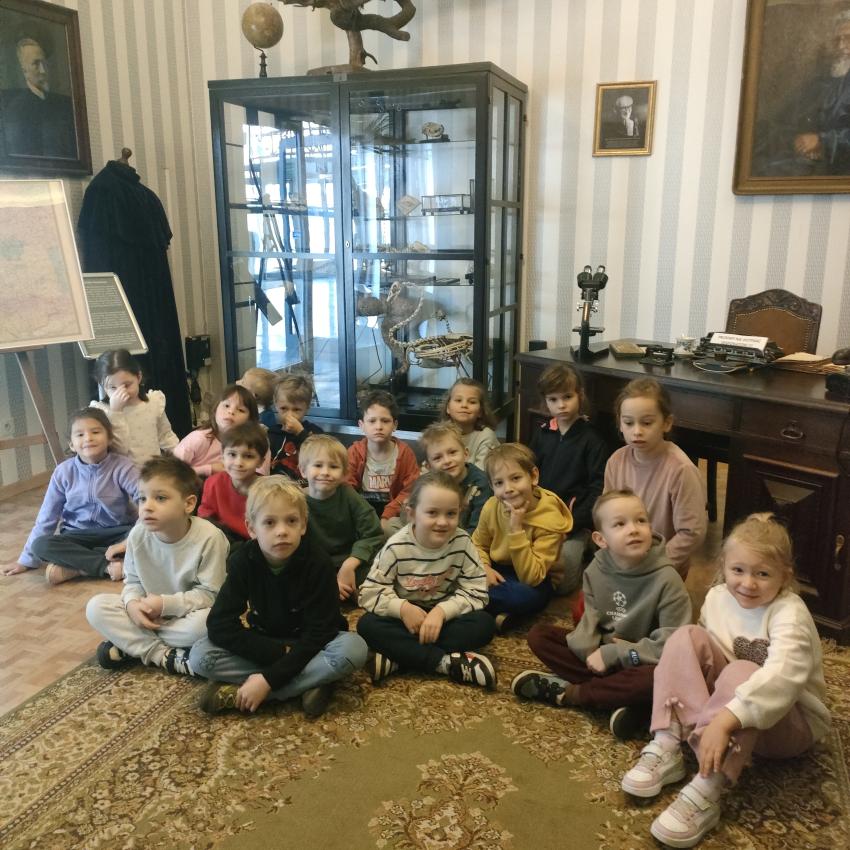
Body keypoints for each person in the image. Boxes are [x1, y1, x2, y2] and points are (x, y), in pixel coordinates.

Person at [620, 514, 830, 848]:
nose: (748, 583)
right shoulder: (718, 597)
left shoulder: (790, 614)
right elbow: (705, 659)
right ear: (723, 566)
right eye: (738, 570)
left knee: (743, 671)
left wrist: (724, 720)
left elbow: (782, 678)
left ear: (785, 576)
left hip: (789, 725)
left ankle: (708, 787)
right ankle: (668, 741)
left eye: (763, 574)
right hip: (731, 704)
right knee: (686, 636)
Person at [513, 490, 691, 740]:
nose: (633, 529)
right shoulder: (596, 568)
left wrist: (615, 653)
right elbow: (591, 618)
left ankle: (574, 694)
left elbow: (673, 646)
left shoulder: (668, 580)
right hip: (605, 656)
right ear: (600, 539)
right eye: (620, 524)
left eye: (641, 520)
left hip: (641, 660)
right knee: (539, 636)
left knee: (656, 678)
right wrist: (587, 650)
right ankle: (623, 700)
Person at [189, 477, 368, 717]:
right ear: (252, 528)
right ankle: (311, 682)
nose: (282, 531)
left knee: (354, 649)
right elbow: (219, 624)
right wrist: (274, 653)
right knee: (200, 655)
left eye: (291, 521)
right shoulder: (242, 561)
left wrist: (269, 680)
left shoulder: (318, 562)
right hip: (268, 642)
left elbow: (321, 632)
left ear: (303, 525)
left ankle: (249, 692)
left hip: (312, 643)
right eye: (269, 522)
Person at [86, 456, 228, 676]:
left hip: (188, 615)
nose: (147, 507)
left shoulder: (210, 538)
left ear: (189, 504)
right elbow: (133, 581)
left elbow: (211, 594)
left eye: (160, 498)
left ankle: (131, 645)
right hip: (148, 613)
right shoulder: (137, 534)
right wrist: (132, 605)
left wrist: (164, 604)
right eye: (142, 499)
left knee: (206, 625)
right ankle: (164, 656)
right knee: (96, 607)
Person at [357, 471, 497, 689]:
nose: (442, 522)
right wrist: (402, 608)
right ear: (411, 514)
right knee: (367, 625)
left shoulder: (462, 542)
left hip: (444, 618)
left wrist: (442, 612)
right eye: (432, 512)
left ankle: (399, 656)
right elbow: (369, 593)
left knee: (484, 625)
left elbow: (477, 591)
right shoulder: (396, 546)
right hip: (404, 620)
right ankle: (444, 663)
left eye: (451, 514)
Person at [1, 408, 138, 583]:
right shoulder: (63, 472)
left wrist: (131, 538)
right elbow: (47, 517)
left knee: (150, 536)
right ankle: (107, 566)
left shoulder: (123, 467)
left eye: (95, 432)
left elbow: (145, 500)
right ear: (72, 444)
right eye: (80, 434)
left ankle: (77, 568)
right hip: (77, 536)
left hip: (116, 533)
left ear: (109, 438)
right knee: (41, 545)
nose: (88, 438)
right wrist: (25, 561)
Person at [604, 378, 706, 577]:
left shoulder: (681, 470)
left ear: (666, 423)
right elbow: (607, 514)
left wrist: (653, 564)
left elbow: (692, 532)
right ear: (620, 424)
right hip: (623, 560)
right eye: (628, 423)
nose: (637, 431)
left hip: (663, 567)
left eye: (647, 423)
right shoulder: (615, 461)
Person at [529, 362, 610, 595]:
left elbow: (597, 489)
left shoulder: (593, 440)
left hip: (574, 525)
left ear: (580, 395)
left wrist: (572, 524)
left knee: (562, 583)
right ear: (545, 401)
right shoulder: (542, 433)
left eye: (567, 397)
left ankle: (586, 546)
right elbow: (529, 472)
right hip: (539, 518)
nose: (561, 405)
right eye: (553, 399)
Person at [472, 443, 573, 630]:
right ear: (491, 486)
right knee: (458, 567)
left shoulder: (550, 519)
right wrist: (484, 568)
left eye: (516, 478)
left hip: (534, 578)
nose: (508, 488)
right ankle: (492, 609)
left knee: (526, 597)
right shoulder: (491, 506)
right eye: (499, 483)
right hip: (497, 567)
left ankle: (470, 601)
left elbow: (532, 577)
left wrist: (516, 529)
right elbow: (478, 544)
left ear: (533, 476)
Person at [754, 10, 850, 177]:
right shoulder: (822, 77)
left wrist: (823, 141)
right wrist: (796, 139)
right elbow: (788, 115)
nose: (841, 46)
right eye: (837, 40)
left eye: (848, 38)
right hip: (806, 156)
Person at [298, 434, 384, 600]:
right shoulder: (296, 501)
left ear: (344, 473)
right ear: (303, 470)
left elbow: (373, 533)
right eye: (318, 465)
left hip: (349, 560)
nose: (325, 472)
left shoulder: (348, 495)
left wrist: (350, 563)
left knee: (372, 587)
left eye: (333, 466)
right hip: (311, 565)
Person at [346, 390, 419, 535]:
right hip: (361, 510)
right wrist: (362, 514)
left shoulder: (405, 453)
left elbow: (410, 490)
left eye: (385, 421)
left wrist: (387, 516)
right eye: (372, 421)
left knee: (392, 529)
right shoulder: (354, 452)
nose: (378, 426)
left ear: (394, 425)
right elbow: (347, 487)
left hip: (394, 512)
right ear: (361, 425)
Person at [90, 348, 179, 465]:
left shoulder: (153, 402)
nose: (121, 392)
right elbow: (118, 450)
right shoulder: (101, 412)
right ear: (102, 385)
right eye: (112, 387)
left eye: (127, 385)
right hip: (122, 474)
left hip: (153, 472)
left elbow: (166, 436)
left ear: (139, 377)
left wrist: (182, 459)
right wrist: (116, 412)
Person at [1, 37, 76, 158]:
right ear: (24, 70)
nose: (43, 70)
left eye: (44, 63)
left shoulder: (63, 104)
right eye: (36, 64)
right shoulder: (16, 109)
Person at [173, 384, 270, 477]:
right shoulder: (199, 438)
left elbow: (260, 478)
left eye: (241, 410)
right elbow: (171, 471)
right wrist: (209, 469)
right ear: (215, 410)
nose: (231, 411)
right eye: (226, 405)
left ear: (250, 420)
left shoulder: (257, 442)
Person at [197, 422, 269, 544]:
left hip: (255, 543)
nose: (238, 463)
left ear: (260, 462)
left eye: (248, 456)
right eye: (232, 454)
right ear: (222, 457)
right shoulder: (213, 483)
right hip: (221, 539)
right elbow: (204, 519)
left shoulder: (268, 491)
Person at [419, 420, 492, 534]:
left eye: (452, 452)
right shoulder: (429, 485)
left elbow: (478, 530)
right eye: (438, 458)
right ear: (429, 466)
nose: (447, 461)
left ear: (466, 454)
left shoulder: (482, 484)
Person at [259, 373, 323, 482]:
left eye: (296, 409)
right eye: (284, 408)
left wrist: (300, 432)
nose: (290, 415)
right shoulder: (271, 434)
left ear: (307, 408)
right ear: (276, 404)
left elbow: (321, 455)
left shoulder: (314, 432)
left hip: (305, 487)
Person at [441, 378, 500, 470]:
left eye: (472, 402)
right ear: (448, 408)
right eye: (458, 400)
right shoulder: (439, 435)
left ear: (480, 411)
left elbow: (482, 474)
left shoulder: (486, 436)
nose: (464, 405)